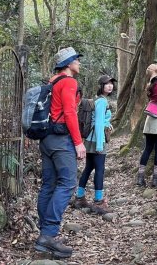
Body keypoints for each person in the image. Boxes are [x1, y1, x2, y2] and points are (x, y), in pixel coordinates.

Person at [35, 47, 86, 259]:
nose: (79, 64)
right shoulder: (68, 82)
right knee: (67, 183)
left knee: (49, 183)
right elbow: (69, 113)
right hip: (60, 140)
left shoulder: (52, 81)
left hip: (46, 139)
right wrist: (78, 142)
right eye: (76, 60)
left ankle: (45, 233)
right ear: (68, 63)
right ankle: (49, 234)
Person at [73, 75, 116, 214]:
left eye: (111, 84)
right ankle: (98, 201)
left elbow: (100, 121)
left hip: (91, 140)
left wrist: (107, 124)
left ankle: (80, 197)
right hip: (97, 140)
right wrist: (99, 145)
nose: (110, 86)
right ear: (101, 86)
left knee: (89, 168)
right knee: (100, 170)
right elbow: (97, 123)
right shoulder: (102, 102)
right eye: (106, 84)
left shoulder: (99, 100)